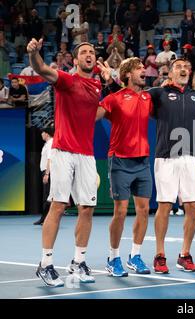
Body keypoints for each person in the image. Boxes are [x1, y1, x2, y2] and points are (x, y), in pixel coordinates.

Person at [28, 39, 102, 287]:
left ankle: (78, 262)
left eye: (92, 52)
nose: (89, 55)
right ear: (75, 59)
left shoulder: (97, 83)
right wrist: (34, 53)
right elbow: (41, 69)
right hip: (63, 151)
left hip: (87, 154)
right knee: (58, 206)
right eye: (83, 52)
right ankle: (46, 264)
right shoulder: (67, 80)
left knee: (87, 209)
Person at [149, 59, 195, 273]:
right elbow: (136, 96)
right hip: (166, 156)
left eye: (186, 66)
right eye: (178, 66)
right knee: (165, 205)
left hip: (190, 157)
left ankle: (184, 255)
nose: (183, 69)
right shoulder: (158, 93)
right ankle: (160, 255)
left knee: (192, 207)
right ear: (170, 72)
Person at [96, 57, 154, 277]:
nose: (144, 71)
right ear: (128, 74)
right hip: (120, 160)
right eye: (139, 68)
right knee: (120, 212)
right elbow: (94, 116)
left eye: (143, 67)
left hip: (143, 161)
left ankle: (135, 256)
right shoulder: (115, 98)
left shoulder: (149, 97)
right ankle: (113, 257)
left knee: (144, 210)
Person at [34, 127, 54, 226]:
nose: (41, 134)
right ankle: (45, 218)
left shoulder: (51, 143)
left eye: (43, 132)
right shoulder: (47, 144)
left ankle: (46, 219)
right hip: (46, 172)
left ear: (47, 134)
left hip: (49, 172)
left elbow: (50, 159)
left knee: (48, 196)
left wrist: (47, 173)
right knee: (47, 196)